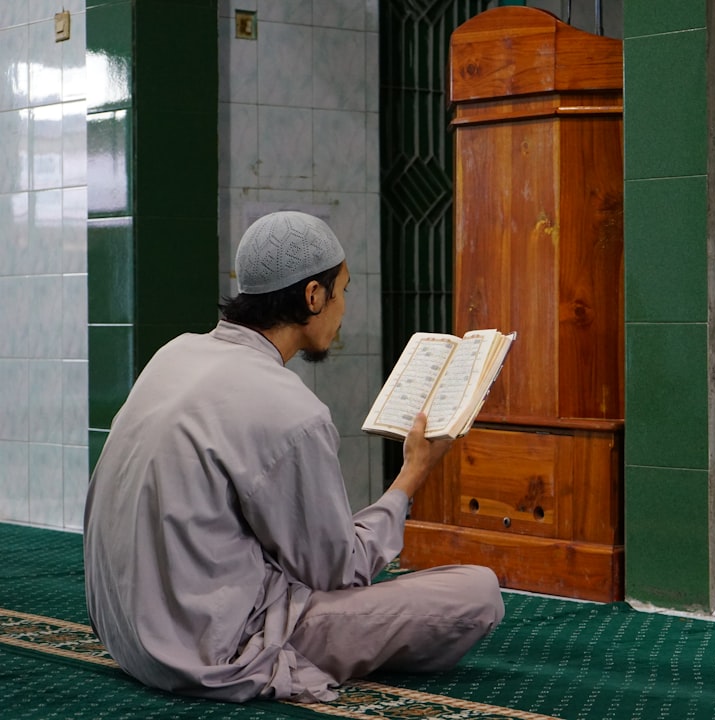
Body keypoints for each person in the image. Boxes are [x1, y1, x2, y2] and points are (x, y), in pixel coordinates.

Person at [83, 211, 504, 703]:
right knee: (476, 593)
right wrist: (413, 472)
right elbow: (338, 573)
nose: (343, 309)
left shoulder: (174, 354)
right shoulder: (290, 409)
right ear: (313, 296)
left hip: (126, 636)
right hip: (210, 648)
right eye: (343, 291)